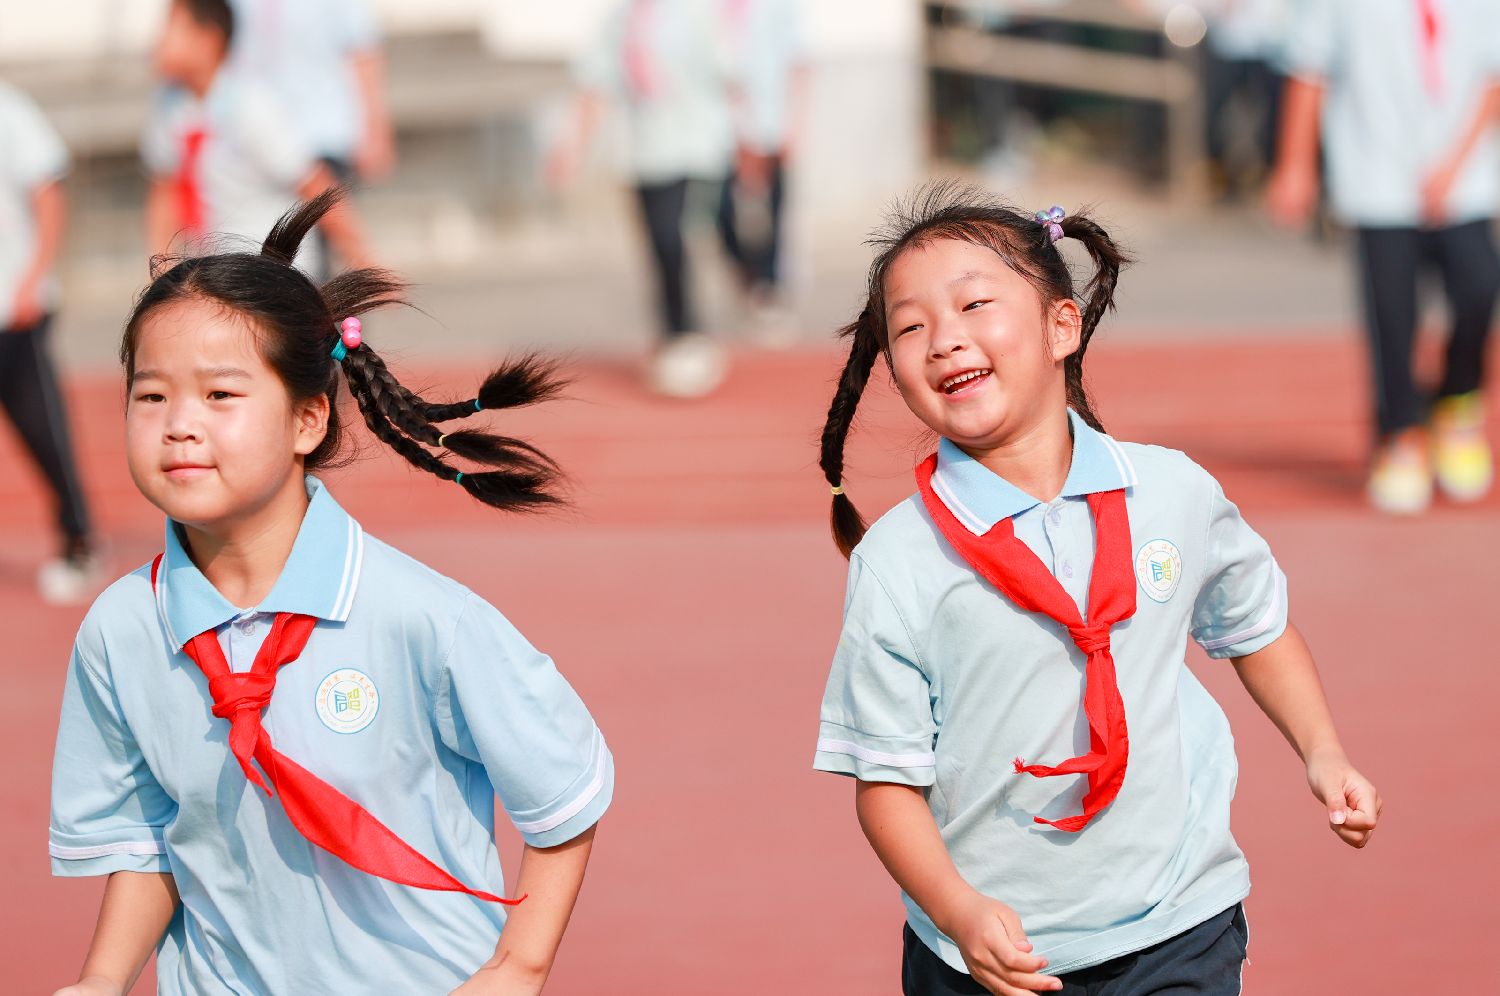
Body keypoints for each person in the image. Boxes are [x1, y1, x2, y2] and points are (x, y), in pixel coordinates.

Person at [812, 185, 1380, 995]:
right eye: (909, 328)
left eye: (974, 304)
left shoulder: (1172, 491)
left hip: (1178, 920)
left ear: (1061, 327)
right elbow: (886, 783)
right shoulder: (899, 560)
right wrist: (958, 911)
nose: (945, 339)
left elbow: (1255, 627)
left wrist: (1323, 752)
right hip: (991, 955)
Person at [48, 192, 612, 995]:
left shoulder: (418, 616)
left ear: (308, 420)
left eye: (220, 395)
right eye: (151, 395)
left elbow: (563, 788)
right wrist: (103, 980)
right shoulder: (122, 630)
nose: (179, 424)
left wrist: (519, 967)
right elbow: (151, 840)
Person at [1267, 0, 1500, 514]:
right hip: (1377, 182)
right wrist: (1296, 165)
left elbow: (1492, 77)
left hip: (1466, 183)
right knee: (1392, 315)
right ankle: (1400, 433)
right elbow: (1308, 70)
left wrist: (1455, 165)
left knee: (1480, 287)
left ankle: (1456, 401)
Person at [549, 0, 736, 397]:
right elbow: (594, 87)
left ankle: (691, 330)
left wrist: (748, 139)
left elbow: (729, 75)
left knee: (678, 237)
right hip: (645, 154)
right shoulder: (619, 20)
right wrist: (572, 149)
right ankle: (675, 333)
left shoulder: (696, 13)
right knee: (660, 246)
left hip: (698, 148)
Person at [143, 0, 370, 274]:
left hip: (271, 267)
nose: (158, 42)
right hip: (214, 269)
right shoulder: (170, 106)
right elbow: (165, 189)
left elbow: (313, 183)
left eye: (171, 29)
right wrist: (161, 268)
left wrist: (362, 259)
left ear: (208, 40)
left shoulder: (250, 106)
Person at [0, 80, 101, 604]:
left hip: (14, 312)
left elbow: (48, 193)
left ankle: (77, 540)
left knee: (42, 431)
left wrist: (33, 278)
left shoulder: (10, 110)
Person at [227, 0, 396, 274]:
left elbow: (362, 50)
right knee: (267, 242)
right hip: (256, 137)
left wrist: (375, 130)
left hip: (322, 133)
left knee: (319, 243)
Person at [717, 0, 807, 341]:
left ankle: (770, 287)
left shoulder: (778, 7)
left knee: (774, 210)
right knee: (720, 210)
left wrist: (793, 124)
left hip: (771, 124)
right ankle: (747, 273)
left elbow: (798, 61)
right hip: (718, 133)